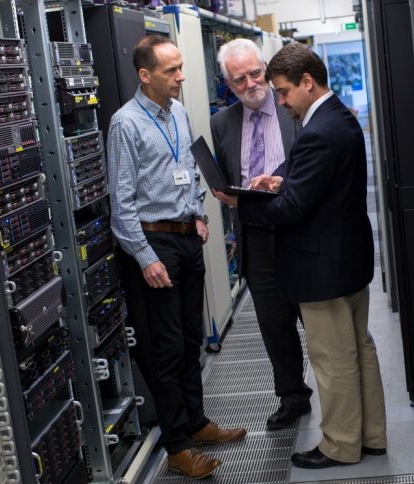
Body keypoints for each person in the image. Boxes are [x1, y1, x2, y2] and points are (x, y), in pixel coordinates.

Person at [213, 43, 387, 469]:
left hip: (319, 264)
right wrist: (282, 180)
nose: (282, 100)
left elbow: (293, 208)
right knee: (358, 348)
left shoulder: (316, 131)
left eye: (285, 91)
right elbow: (309, 184)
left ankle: (340, 444)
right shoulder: (340, 117)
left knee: (332, 359)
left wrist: (243, 203)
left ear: (307, 82)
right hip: (345, 258)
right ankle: (372, 435)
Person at [107, 35, 246, 480]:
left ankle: (198, 422)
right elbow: (122, 204)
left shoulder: (180, 112)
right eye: (171, 71)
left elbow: (185, 170)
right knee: (164, 349)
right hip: (153, 246)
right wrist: (146, 257)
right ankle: (177, 445)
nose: (182, 77)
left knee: (189, 339)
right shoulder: (125, 124)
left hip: (186, 238)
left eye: (182, 67)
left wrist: (197, 214)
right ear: (145, 75)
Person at [210, 38, 312, 430]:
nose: (251, 84)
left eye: (256, 73)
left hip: (299, 234)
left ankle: (338, 396)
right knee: (274, 325)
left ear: (265, 68)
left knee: (315, 321)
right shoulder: (223, 123)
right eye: (240, 80)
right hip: (256, 239)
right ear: (228, 85)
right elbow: (227, 176)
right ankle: (292, 397)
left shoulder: (296, 110)